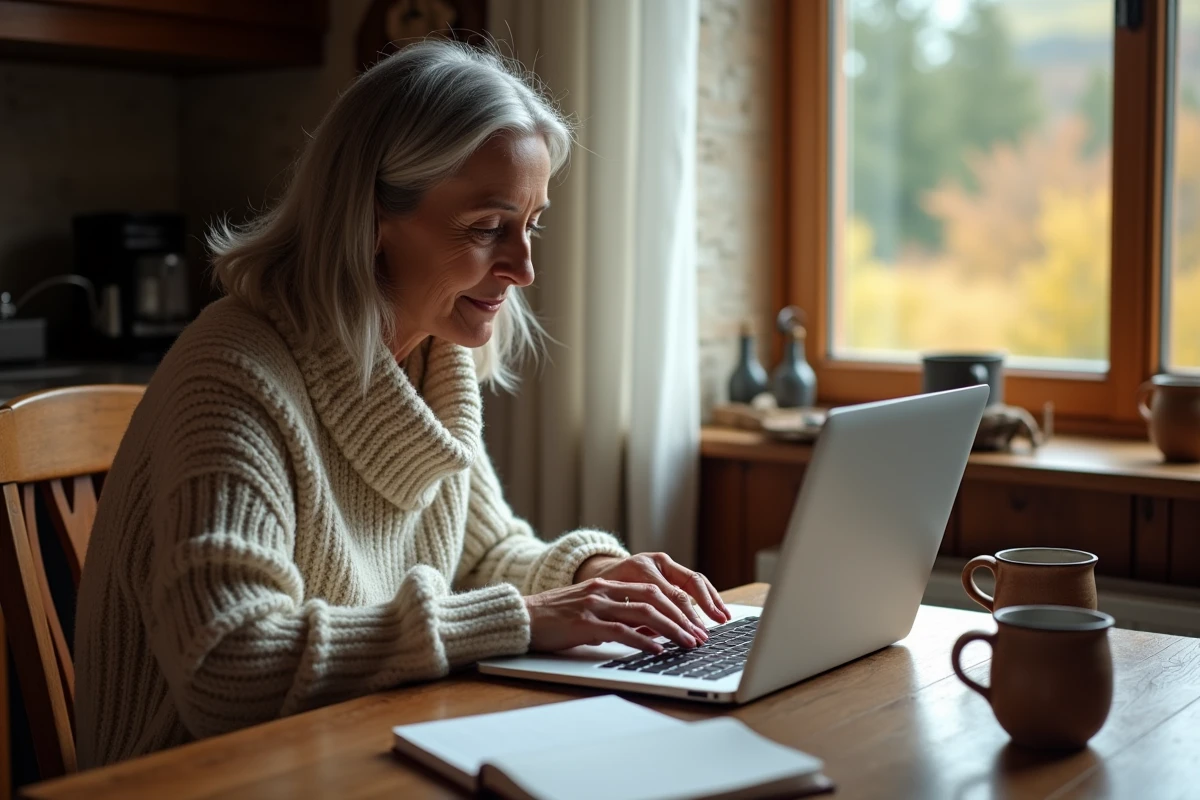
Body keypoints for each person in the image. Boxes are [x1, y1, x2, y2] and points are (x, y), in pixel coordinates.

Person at [74, 40, 728, 769]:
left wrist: (593, 580)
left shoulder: (430, 353)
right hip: (203, 779)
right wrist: (524, 619)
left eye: (531, 224)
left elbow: (485, 554)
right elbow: (229, 664)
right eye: (486, 228)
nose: (524, 268)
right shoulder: (234, 373)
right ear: (371, 218)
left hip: (348, 748)